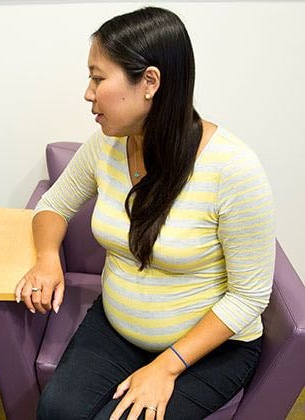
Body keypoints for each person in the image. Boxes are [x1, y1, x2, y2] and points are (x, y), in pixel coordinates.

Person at [15, 7, 275, 420]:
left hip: (211, 349)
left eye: (98, 78)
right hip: (118, 328)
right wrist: (48, 258)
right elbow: (53, 206)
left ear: (149, 82)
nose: (88, 92)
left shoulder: (233, 169)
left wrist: (166, 366)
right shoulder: (107, 144)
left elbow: (250, 296)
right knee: (56, 411)